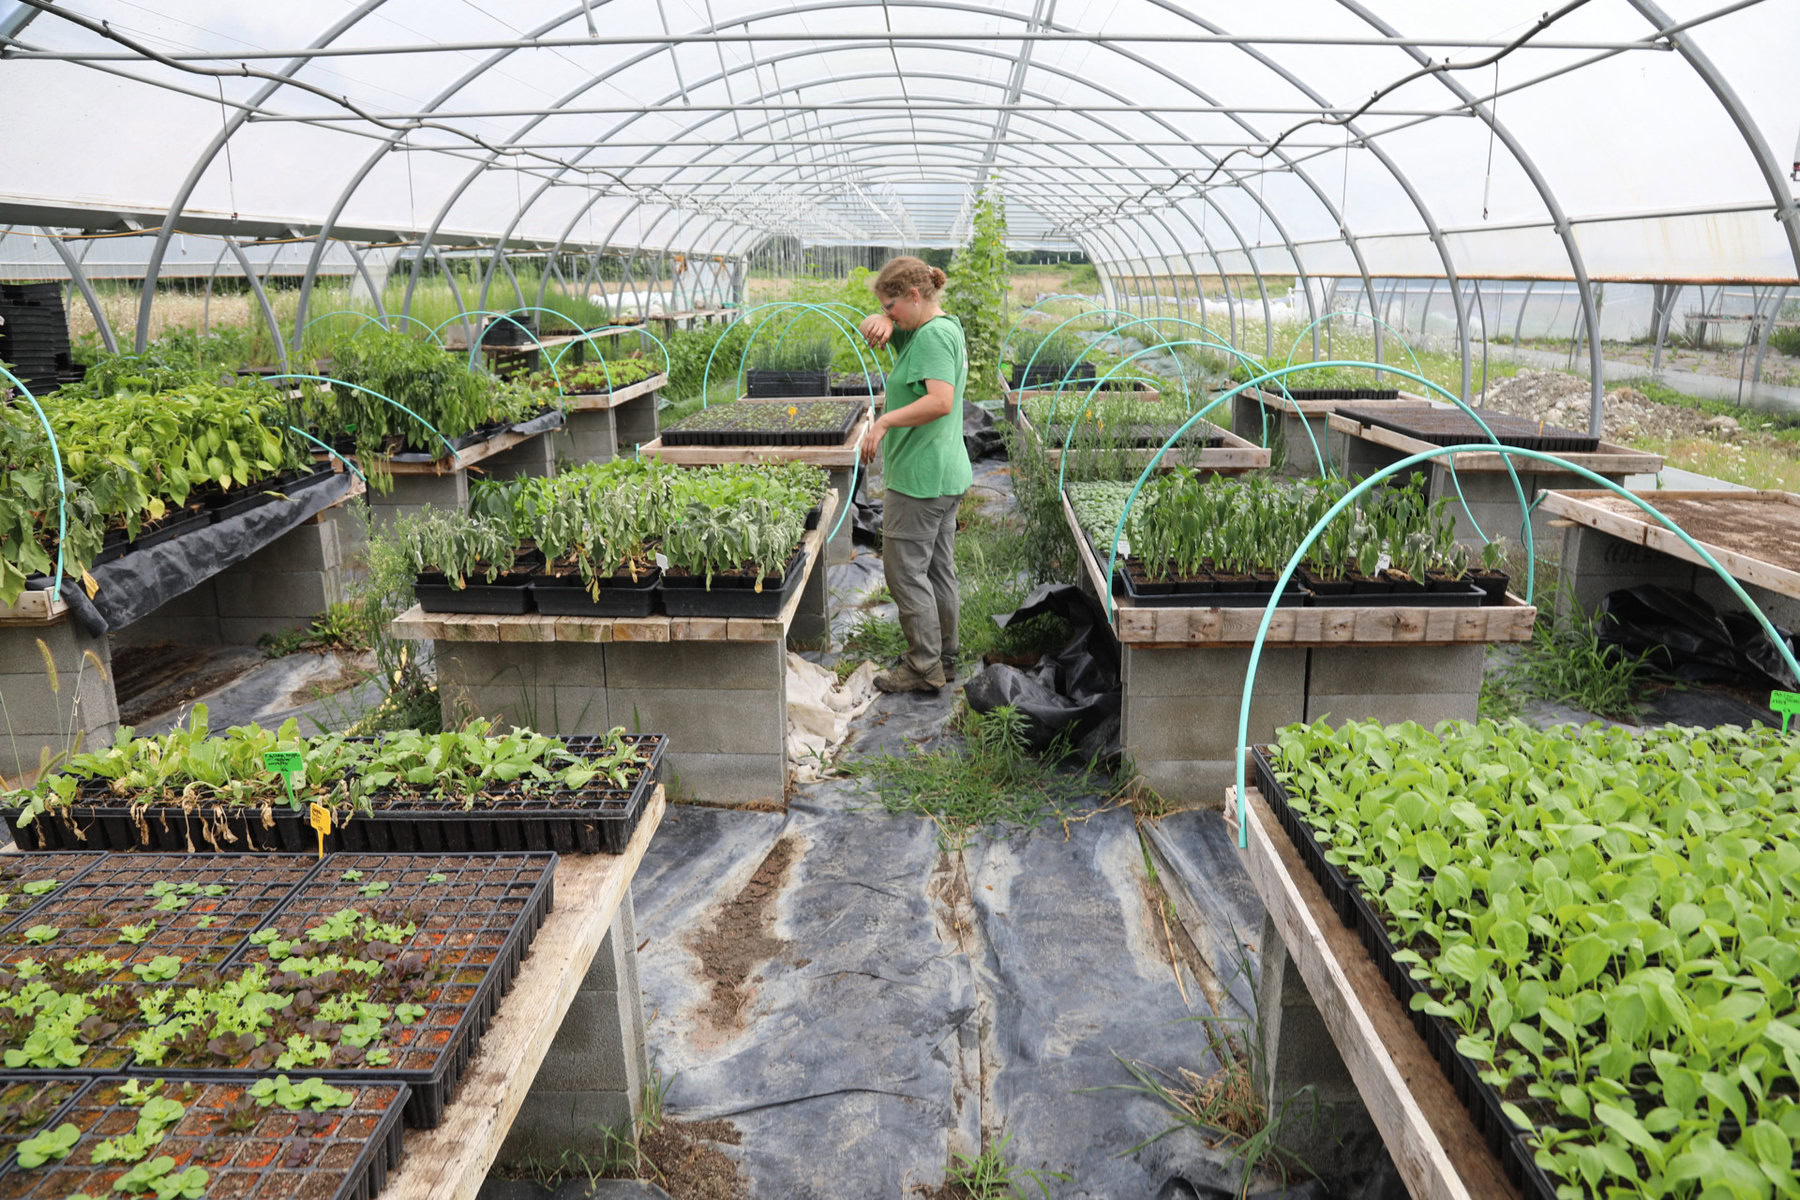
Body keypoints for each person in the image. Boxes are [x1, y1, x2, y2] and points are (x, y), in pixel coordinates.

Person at [857, 257, 973, 694]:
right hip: (944, 473)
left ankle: (924, 667)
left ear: (915, 296)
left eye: (893, 305)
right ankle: (944, 657)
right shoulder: (940, 328)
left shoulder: (931, 339)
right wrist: (879, 318)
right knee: (939, 571)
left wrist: (884, 422)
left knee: (906, 573)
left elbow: (940, 401)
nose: (889, 315)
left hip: (921, 482)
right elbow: (893, 333)